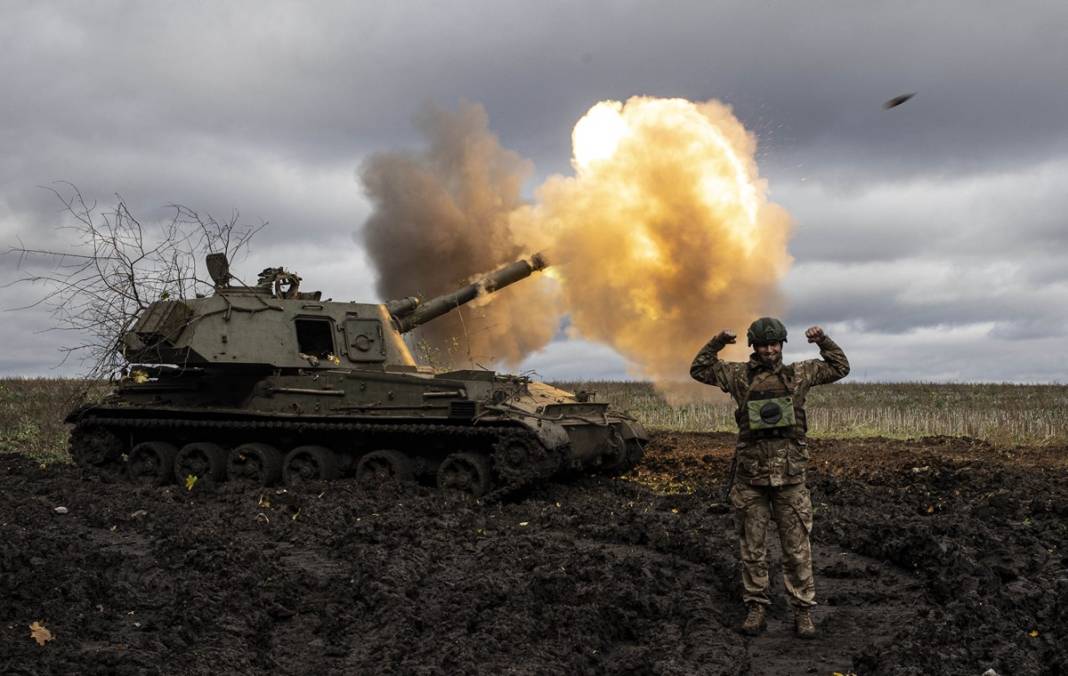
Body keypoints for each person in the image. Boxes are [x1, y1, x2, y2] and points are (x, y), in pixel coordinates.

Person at [690, 317, 849, 639]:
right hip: (751, 479)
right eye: (762, 344)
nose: (768, 350)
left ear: (782, 345)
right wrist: (718, 341)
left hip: (790, 479)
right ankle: (756, 607)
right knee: (753, 549)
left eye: (774, 344)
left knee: (797, 550)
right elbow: (699, 368)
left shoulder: (800, 373)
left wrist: (823, 340)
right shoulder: (736, 375)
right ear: (754, 346)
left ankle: (803, 612)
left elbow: (839, 367)